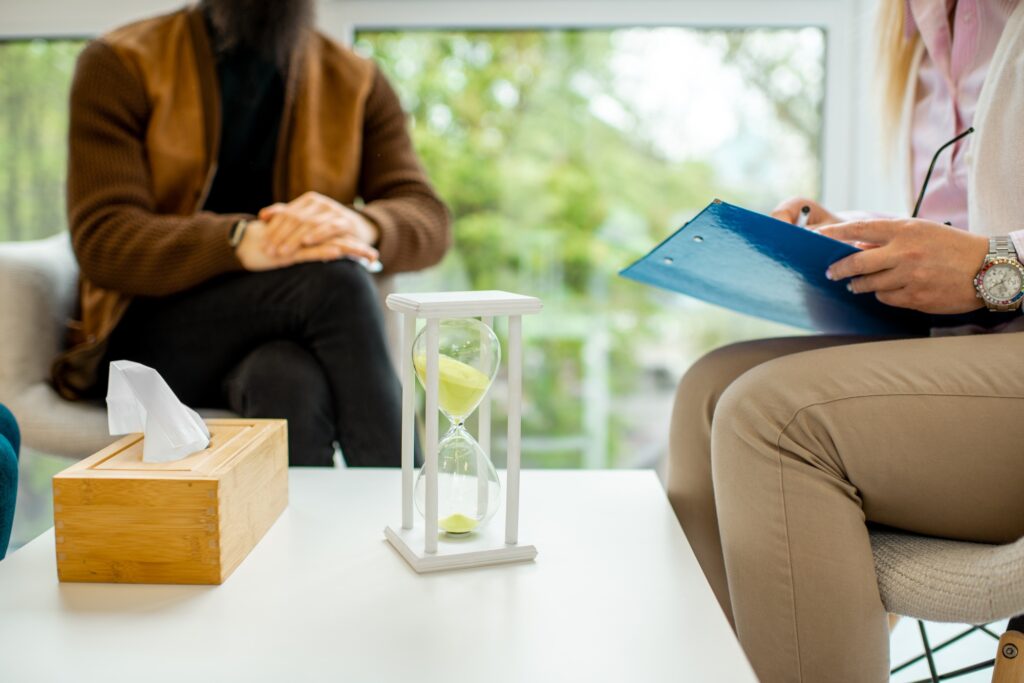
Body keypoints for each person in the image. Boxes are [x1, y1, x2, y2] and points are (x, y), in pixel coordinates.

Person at [666, 1, 1024, 681]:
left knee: (774, 418)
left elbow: (988, 256)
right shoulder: (918, 31)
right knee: (706, 392)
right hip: (972, 355)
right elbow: (973, 217)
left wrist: (993, 268)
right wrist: (869, 241)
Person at [52, 0, 451, 467]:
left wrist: (361, 223)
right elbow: (103, 238)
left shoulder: (357, 82)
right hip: (147, 339)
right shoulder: (121, 61)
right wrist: (242, 241)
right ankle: (402, 507)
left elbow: (428, 218)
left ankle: (308, 539)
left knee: (287, 380)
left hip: (284, 335)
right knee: (336, 281)